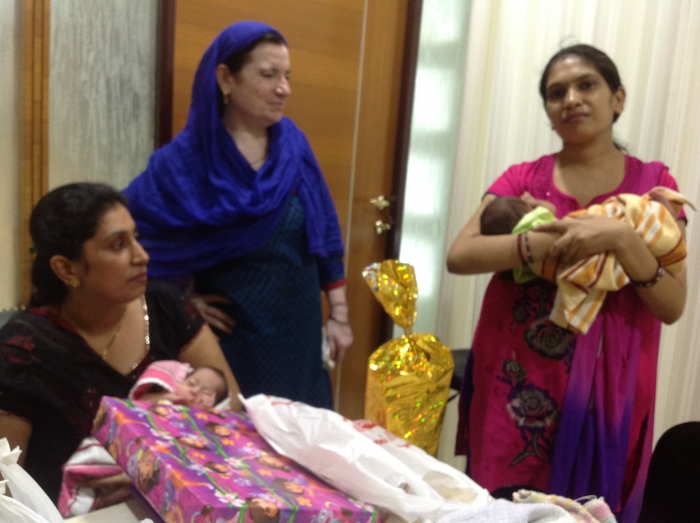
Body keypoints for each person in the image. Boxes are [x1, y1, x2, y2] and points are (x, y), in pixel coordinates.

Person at [446, 44, 687, 521]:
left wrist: (621, 238)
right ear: (548, 112)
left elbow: (672, 304)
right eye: (556, 93)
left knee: (589, 510)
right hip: (516, 386)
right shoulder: (522, 178)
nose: (571, 99)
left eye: (586, 85)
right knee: (501, 509)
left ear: (617, 98)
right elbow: (461, 254)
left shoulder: (654, 187)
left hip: (604, 394)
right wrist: (541, 244)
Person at [123, 20, 352, 410]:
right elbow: (135, 236)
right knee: (236, 435)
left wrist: (340, 314)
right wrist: (182, 301)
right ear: (226, 78)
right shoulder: (181, 162)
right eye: (269, 75)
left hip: (299, 332)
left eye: (287, 76)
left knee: (300, 431)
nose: (284, 88)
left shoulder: (293, 146)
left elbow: (324, 228)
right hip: (231, 342)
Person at [0, 182, 241, 507]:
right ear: (66, 268)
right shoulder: (23, 350)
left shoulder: (165, 307)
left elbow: (232, 407)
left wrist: (158, 467)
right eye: (118, 245)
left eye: (136, 238)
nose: (142, 256)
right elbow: (5, 492)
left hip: (180, 503)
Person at [480, 189, 690, 334]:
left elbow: (672, 309)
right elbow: (552, 217)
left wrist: (623, 237)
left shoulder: (522, 261)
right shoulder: (536, 221)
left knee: (607, 255)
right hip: (584, 256)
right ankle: (655, 219)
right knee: (619, 219)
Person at [130, 360, 230, 409]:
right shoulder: (168, 395)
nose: (195, 391)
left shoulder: (207, 414)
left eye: (206, 393)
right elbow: (137, 401)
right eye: (191, 384)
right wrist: (165, 397)